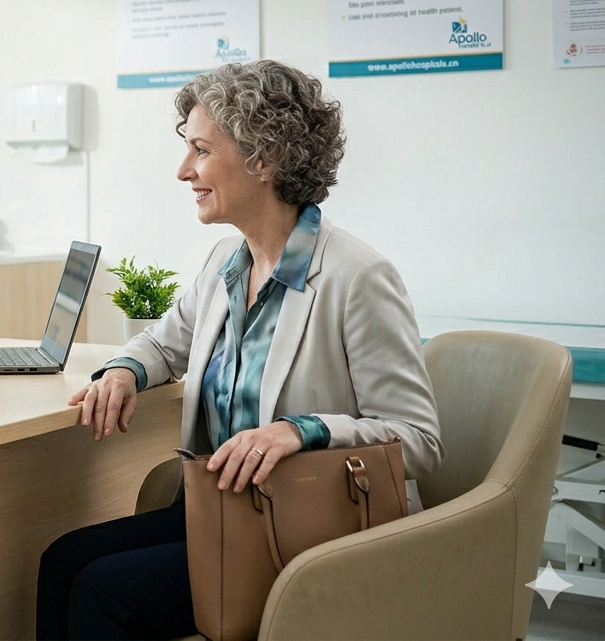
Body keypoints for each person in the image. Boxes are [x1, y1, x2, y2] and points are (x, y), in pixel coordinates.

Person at [36, 60, 443, 640]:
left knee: (105, 591)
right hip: (224, 516)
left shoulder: (359, 277)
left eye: (201, 150)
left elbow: (419, 441)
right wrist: (125, 369)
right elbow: (163, 342)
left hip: (308, 532)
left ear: (265, 157)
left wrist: (301, 431)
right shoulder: (227, 262)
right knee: (63, 560)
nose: (184, 171)